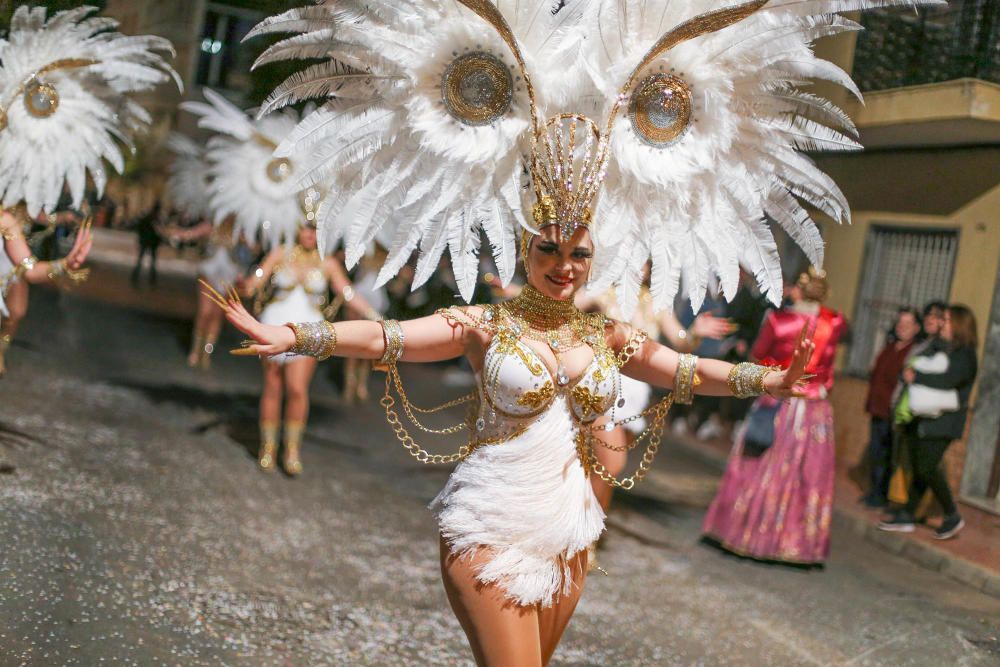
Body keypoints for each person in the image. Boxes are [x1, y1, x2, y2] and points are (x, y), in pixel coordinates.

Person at [210, 222, 813, 662]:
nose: (565, 264)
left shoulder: (607, 335)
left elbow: (684, 370)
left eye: (579, 253)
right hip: (489, 524)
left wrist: (769, 380)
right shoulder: (486, 325)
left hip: (569, 535)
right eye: (549, 247)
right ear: (524, 248)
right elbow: (383, 338)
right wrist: (291, 332)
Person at [702, 268, 847, 565]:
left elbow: (757, 355)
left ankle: (749, 534)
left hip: (778, 399)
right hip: (815, 407)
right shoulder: (834, 323)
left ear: (798, 291)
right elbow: (829, 370)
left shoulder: (780, 322)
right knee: (806, 473)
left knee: (760, 466)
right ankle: (796, 544)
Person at [238, 222, 377, 476]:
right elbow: (257, 279)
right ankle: (267, 447)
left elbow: (347, 292)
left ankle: (291, 450)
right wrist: (245, 285)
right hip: (275, 323)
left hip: (309, 331)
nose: (309, 234)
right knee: (272, 386)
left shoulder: (328, 263)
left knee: (297, 389)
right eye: (305, 228)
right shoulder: (281, 252)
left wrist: (374, 315)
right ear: (296, 228)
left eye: (315, 229)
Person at [879, 305, 978, 539]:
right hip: (925, 415)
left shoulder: (965, 354)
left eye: (947, 320)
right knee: (920, 467)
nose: (942, 323)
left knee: (927, 467)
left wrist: (917, 377)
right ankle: (907, 515)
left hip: (944, 421)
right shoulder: (942, 347)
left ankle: (952, 515)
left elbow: (948, 380)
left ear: (960, 324)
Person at [859, 308, 921, 507]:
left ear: (916, 328)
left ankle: (881, 494)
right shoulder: (889, 347)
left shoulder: (913, 352)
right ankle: (873, 491)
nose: (902, 327)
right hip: (877, 408)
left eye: (907, 324)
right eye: (900, 323)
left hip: (892, 411)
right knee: (876, 451)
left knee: (887, 454)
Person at [168, 215, 246, 369]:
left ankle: (206, 352)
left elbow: (253, 248)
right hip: (209, 271)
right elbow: (190, 233)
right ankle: (195, 350)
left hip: (228, 276)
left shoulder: (240, 231)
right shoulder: (211, 226)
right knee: (205, 312)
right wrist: (174, 232)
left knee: (216, 315)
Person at [130, 202, 163, 287]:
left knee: (142, 260)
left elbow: (140, 228)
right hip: (151, 242)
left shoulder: (148, 217)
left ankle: (137, 276)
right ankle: (151, 279)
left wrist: (141, 238)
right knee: (151, 261)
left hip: (146, 241)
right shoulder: (155, 218)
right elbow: (158, 232)